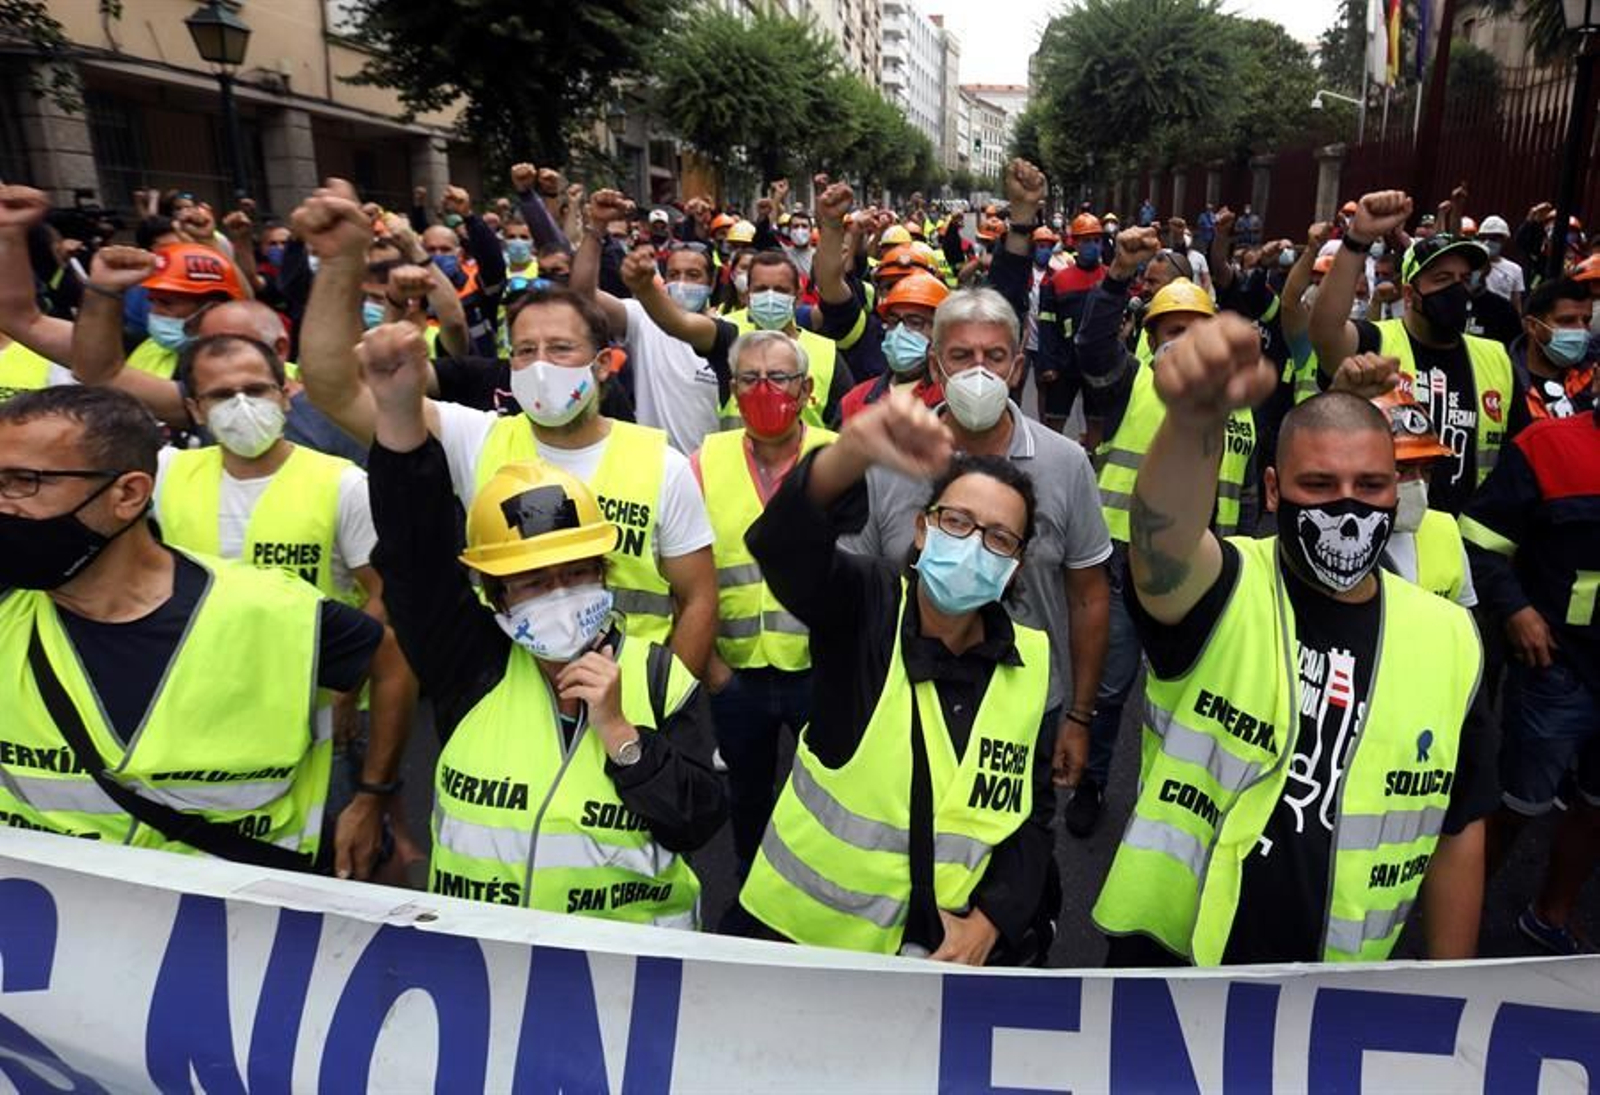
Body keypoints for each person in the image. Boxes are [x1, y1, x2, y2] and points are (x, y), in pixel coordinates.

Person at [1093, 315, 1496, 965]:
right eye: (1319, 485)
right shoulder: (1228, 588)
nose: (1348, 507)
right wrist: (1194, 421)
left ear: (1397, 491)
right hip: (1175, 963)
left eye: (1371, 486)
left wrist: (1452, 988)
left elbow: (1460, 821)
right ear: (1275, 491)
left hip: (1337, 987)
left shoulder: (1450, 637)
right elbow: (1161, 544)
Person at [356, 321, 725, 922]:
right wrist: (399, 415)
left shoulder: (658, 675)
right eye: (531, 581)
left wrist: (623, 738)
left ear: (603, 573)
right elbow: (413, 555)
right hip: (480, 954)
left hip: (624, 957)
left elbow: (698, 819)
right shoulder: (467, 664)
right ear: (496, 596)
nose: (558, 595)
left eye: (576, 573)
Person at [293, 181, 716, 674]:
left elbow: (699, 598)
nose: (540, 364)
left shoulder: (661, 465)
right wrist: (340, 262)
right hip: (504, 693)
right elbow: (336, 389)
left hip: (630, 697)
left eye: (561, 349)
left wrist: (664, 699)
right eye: (525, 350)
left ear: (602, 365)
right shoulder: (476, 439)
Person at [0, 386, 382, 867]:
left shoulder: (279, 612)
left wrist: (374, 794)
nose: (4, 504)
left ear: (128, 494)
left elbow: (390, 661)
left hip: (243, 904)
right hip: (46, 907)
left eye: (23, 481)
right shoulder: (9, 610)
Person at [737, 387, 1055, 963]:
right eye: (957, 521)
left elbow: (1031, 819)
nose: (974, 545)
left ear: (1014, 567)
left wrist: (991, 923)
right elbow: (783, 547)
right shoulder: (867, 605)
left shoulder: (1031, 659)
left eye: (998, 537)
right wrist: (850, 453)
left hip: (943, 962)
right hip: (802, 942)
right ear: (921, 530)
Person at [150, 332, 418, 876]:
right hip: (196, 714)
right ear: (194, 408)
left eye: (256, 389)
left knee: (333, 868)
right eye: (221, 395)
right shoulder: (166, 476)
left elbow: (384, 591)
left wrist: (348, 687)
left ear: (285, 394)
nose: (242, 405)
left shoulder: (342, 484)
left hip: (319, 722)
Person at [845, 282, 1111, 823]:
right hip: (905, 699)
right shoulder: (883, 461)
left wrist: (1080, 717)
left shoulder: (1065, 464)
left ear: (1017, 368)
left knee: (1020, 845)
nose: (980, 371)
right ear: (936, 368)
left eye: (995, 356)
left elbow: (1088, 597)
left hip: (1026, 709)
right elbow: (854, 591)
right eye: (962, 356)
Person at [691, 330, 836, 890]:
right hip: (736, 677)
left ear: (806, 388)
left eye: (778, 378)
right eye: (749, 379)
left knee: (826, 795)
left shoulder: (838, 459)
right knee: (747, 795)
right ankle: (752, 887)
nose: (764, 390)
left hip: (819, 675)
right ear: (732, 389)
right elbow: (685, 574)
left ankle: (816, 890)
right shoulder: (705, 462)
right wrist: (715, 674)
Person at [1461, 373, 1600, 954]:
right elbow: (1477, 539)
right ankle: (1455, 929)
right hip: (1557, 669)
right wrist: (1516, 609)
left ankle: (1550, 915)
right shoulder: (1547, 446)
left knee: (1595, 806)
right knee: (1519, 803)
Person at [1310, 191, 1517, 516]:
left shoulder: (1497, 359)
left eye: (1464, 279)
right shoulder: (1376, 340)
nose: (1457, 289)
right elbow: (1325, 330)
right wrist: (1357, 240)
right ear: (1410, 295)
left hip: (1462, 538)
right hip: (1377, 527)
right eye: (1443, 279)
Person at [570, 191, 724, 454]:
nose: (682, 283)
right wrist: (596, 227)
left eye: (693, 275)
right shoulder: (643, 318)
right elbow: (582, 296)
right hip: (655, 467)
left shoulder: (727, 333)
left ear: (711, 282)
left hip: (710, 470)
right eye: (674, 274)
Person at [838, 272, 948, 421]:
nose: (899, 332)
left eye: (915, 322)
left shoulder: (952, 400)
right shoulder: (855, 400)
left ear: (942, 332)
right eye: (893, 321)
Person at [1510, 277, 1596, 428]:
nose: (1581, 330)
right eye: (1567, 321)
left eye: (1586, 321)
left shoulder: (1593, 375)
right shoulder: (1507, 380)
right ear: (1532, 326)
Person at [1476, 215, 1525, 311]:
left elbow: (1516, 303)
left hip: (1502, 317)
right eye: (1484, 237)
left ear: (1504, 241)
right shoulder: (1471, 265)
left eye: (1493, 238)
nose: (1487, 242)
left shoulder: (1515, 269)